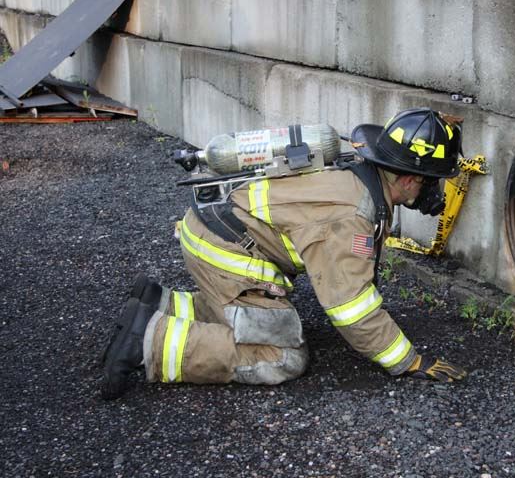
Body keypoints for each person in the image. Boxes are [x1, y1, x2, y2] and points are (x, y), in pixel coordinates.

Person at [100, 107, 468, 400]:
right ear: (408, 179)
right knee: (283, 355)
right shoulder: (351, 214)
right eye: (431, 181)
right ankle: (148, 340)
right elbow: (350, 306)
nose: (433, 192)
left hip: (212, 233)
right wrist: (408, 360)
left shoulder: (353, 175)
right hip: (227, 253)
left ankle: (159, 303)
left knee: (256, 318)